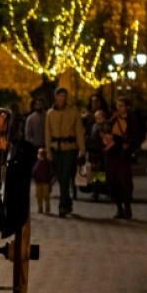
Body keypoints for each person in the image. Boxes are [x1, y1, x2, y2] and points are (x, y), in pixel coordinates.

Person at [44, 87, 86, 217]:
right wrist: (48, 151)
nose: (63, 98)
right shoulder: (50, 113)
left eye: (64, 96)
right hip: (56, 148)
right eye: (60, 96)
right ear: (56, 97)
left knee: (65, 175)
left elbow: (79, 131)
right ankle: (67, 203)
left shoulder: (73, 112)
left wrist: (82, 149)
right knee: (60, 175)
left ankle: (63, 205)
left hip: (69, 147)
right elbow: (48, 132)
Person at [109, 97, 141, 218]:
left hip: (123, 155)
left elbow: (137, 137)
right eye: (118, 105)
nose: (119, 108)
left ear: (127, 106)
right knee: (112, 181)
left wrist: (130, 145)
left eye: (122, 105)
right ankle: (118, 207)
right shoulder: (113, 120)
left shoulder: (132, 120)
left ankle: (127, 206)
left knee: (125, 182)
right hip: (113, 153)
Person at [32, 148, 53, 214]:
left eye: (39, 154)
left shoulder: (47, 164)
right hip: (38, 182)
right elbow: (33, 171)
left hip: (45, 182)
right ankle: (40, 208)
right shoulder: (37, 163)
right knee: (39, 196)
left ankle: (47, 207)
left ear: (42, 155)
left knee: (46, 196)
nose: (37, 155)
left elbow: (50, 173)